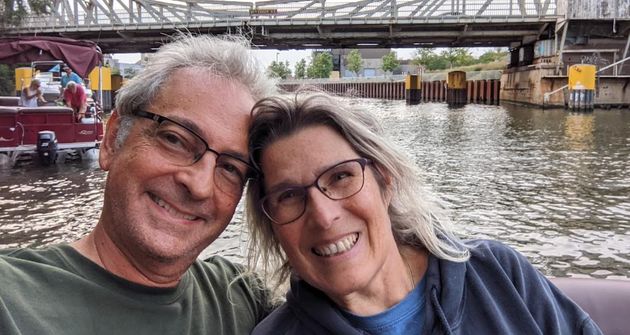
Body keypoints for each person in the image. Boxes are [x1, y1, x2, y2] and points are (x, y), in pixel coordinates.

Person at [245, 91, 603, 334]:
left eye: (341, 177)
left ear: (384, 180)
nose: (323, 216)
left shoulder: (498, 274)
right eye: (289, 195)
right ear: (272, 226)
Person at [0, 35, 275, 335]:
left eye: (231, 168)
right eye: (175, 139)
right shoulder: (10, 302)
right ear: (112, 140)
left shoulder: (243, 299)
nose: (199, 186)